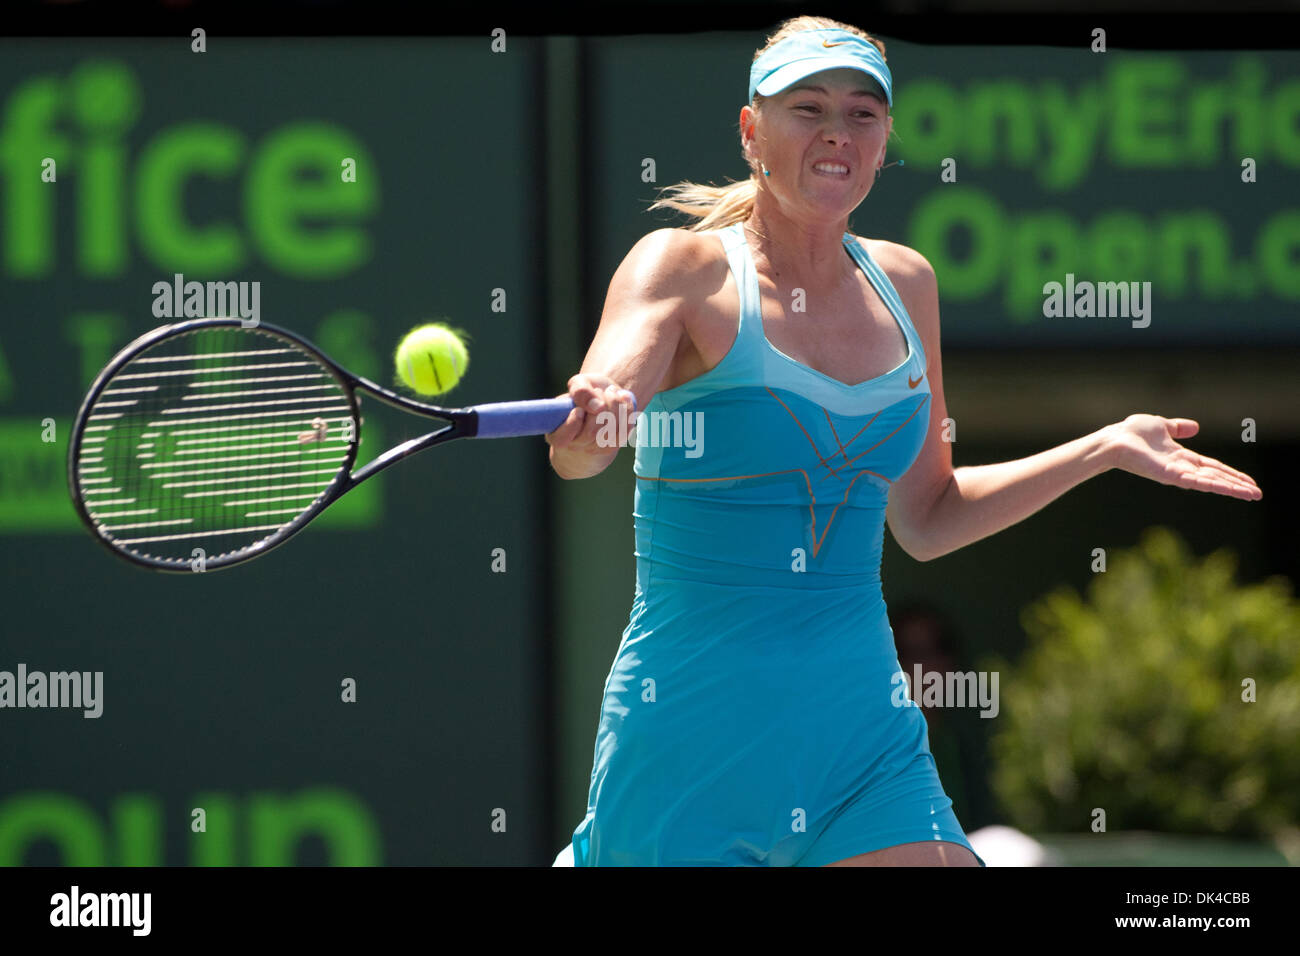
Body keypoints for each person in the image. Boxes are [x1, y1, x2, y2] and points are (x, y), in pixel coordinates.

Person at [546, 15, 1261, 867]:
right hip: (693, 732)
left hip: (861, 729)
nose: (837, 133)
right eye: (807, 109)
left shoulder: (906, 283)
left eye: (861, 112)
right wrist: (598, 417)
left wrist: (1101, 447)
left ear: (885, 137)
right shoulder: (680, 266)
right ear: (751, 130)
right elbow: (583, 443)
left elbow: (927, 513)